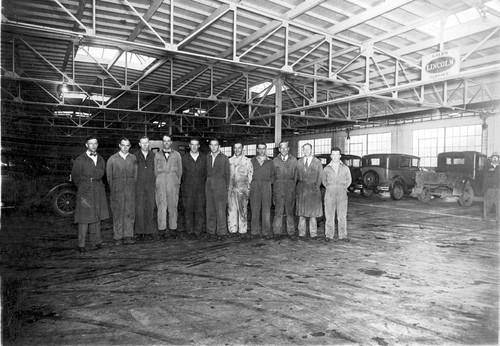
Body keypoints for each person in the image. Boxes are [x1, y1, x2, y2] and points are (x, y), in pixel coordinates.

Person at [71, 135, 109, 253]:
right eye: (91, 143)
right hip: (85, 190)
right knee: (84, 218)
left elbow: (103, 173)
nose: (93, 145)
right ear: (86, 145)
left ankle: (96, 241)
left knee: (97, 216)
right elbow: (75, 177)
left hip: (98, 188)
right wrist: (84, 187)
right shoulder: (80, 159)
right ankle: (81, 244)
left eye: (95, 143)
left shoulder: (101, 158)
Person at [106, 138, 138, 245]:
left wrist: (131, 186)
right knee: (118, 212)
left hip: (130, 189)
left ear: (130, 146)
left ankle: (128, 236)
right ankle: (118, 237)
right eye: (123, 145)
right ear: (119, 145)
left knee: (129, 212)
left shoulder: (133, 158)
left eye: (127, 145)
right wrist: (115, 187)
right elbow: (109, 177)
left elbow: (136, 175)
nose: (125, 147)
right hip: (117, 190)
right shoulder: (112, 159)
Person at [154, 135, 182, 239]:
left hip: (173, 182)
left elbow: (180, 170)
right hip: (161, 181)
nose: (166, 143)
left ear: (171, 142)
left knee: (173, 206)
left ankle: (173, 229)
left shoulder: (177, 155)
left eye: (168, 141)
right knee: (161, 206)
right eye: (164, 141)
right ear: (162, 142)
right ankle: (161, 230)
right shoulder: (157, 155)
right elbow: (155, 171)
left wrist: (176, 181)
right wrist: (159, 180)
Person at [322, 147, 352, 242]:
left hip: (342, 194)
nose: (335, 157)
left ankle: (343, 236)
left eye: (337, 154)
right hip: (330, 194)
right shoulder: (326, 168)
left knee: (342, 216)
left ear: (340, 156)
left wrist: (342, 188)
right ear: (331, 156)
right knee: (329, 215)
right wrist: (330, 187)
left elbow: (349, 180)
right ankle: (329, 235)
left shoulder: (345, 168)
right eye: (333, 154)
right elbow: (324, 181)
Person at [295, 143, 323, 240]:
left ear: (311, 150)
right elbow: (296, 176)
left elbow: (320, 176)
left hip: (313, 190)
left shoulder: (317, 162)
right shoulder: (299, 162)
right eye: (304, 149)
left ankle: (313, 234)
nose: (306, 151)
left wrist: (316, 187)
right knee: (301, 214)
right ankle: (301, 233)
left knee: (313, 214)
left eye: (308, 149)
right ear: (303, 150)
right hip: (302, 189)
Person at [181, 138, 207, 238]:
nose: (194, 146)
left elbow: (206, 173)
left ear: (199, 146)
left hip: (200, 188)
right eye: (192, 144)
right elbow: (181, 174)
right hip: (187, 188)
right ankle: (189, 231)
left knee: (199, 210)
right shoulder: (184, 158)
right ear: (189, 146)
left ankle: (198, 231)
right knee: (188, 210)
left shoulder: (204, 158)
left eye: (196, 144)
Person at [273, 141, 298, 240]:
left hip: (290, 190)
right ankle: (276, 232)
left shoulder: (294, 160)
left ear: (288, 149)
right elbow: (272, 176)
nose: (283, 149)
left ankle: (291, 232)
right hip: (278, 190)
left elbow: (296, 175)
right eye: (281, 148)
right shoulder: (274, 161)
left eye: (285, 147)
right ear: (279, 149)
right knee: (278, 211)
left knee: (289, 211)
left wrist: (291, 185)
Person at [206, 139, 230, 240]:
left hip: (220, 185)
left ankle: (222, 232)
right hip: (208, 185)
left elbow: (227, 174)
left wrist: (226, 188)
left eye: (215, 145)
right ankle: (211, 231)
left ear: (219, 146)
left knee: (220, 209)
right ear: (209, 146)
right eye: (211, 145)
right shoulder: (207, 157)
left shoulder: (224, 158)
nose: (213, 147)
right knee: (210, 209)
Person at [228, 142, 253, 238]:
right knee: (231, 209)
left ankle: (242, 230)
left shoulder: (247, 161)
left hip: (242, 189)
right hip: (231, 189)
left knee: (242, 210)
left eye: (239, 148)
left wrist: (246, 188)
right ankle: (232, 229)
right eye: (235, 148)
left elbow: (250, 175)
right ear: (233, 149)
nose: (237, 150)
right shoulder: (229, 161)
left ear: (242, 149)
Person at [250, 143, 275, 239]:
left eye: (263, 148)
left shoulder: (270, 162)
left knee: (266, 210)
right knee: (255, 209)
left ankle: (266, 232)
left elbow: (273, 175)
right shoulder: (251, 161)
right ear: (257, 150)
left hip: (266, 186)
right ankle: (254, 231)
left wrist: (268, 183)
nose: (261, 150)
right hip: (255, 186)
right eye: (259, 149)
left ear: (266, 149)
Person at [134, 136, 156, 241]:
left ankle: (149, 231)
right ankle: (139, 232)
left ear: (149, 143)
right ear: (139, 144)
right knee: (139, 209)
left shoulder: (154, 156)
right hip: (139, 186)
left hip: (151, 186)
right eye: (142, 143)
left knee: (150, 208)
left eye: (146, 143)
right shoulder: (134, 156)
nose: (144, 145)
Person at [483, 152, 500, 224]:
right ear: (491, 158)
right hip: (489, 189)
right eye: (494, 157)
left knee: (499, 206)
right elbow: (484, 179)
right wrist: (484, 190)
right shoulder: (487, 167)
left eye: (497, 157)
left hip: (499, 189)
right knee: (487, 205)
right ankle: (486, 220)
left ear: (499, 159)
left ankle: (498, 220)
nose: (495, 159)